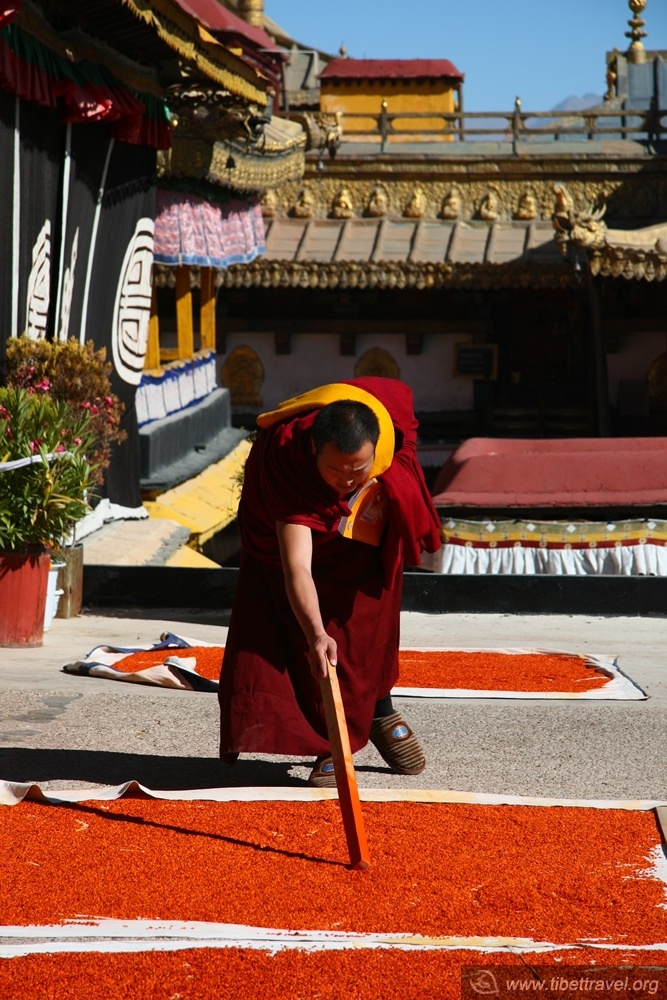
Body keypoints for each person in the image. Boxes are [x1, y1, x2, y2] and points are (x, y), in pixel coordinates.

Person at [218, 376, 442, 787]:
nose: (346, 480)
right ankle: (332, 741)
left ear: (376, 450)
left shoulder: (385, 438)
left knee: (366, 622)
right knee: (311, 635)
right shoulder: (289, 464)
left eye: (358, 468)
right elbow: (297, 568)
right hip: (300, 545)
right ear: (312, 450)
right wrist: (317, 632)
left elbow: (401, 426)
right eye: (335, 470)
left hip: (361, 533)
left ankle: (378, 707)